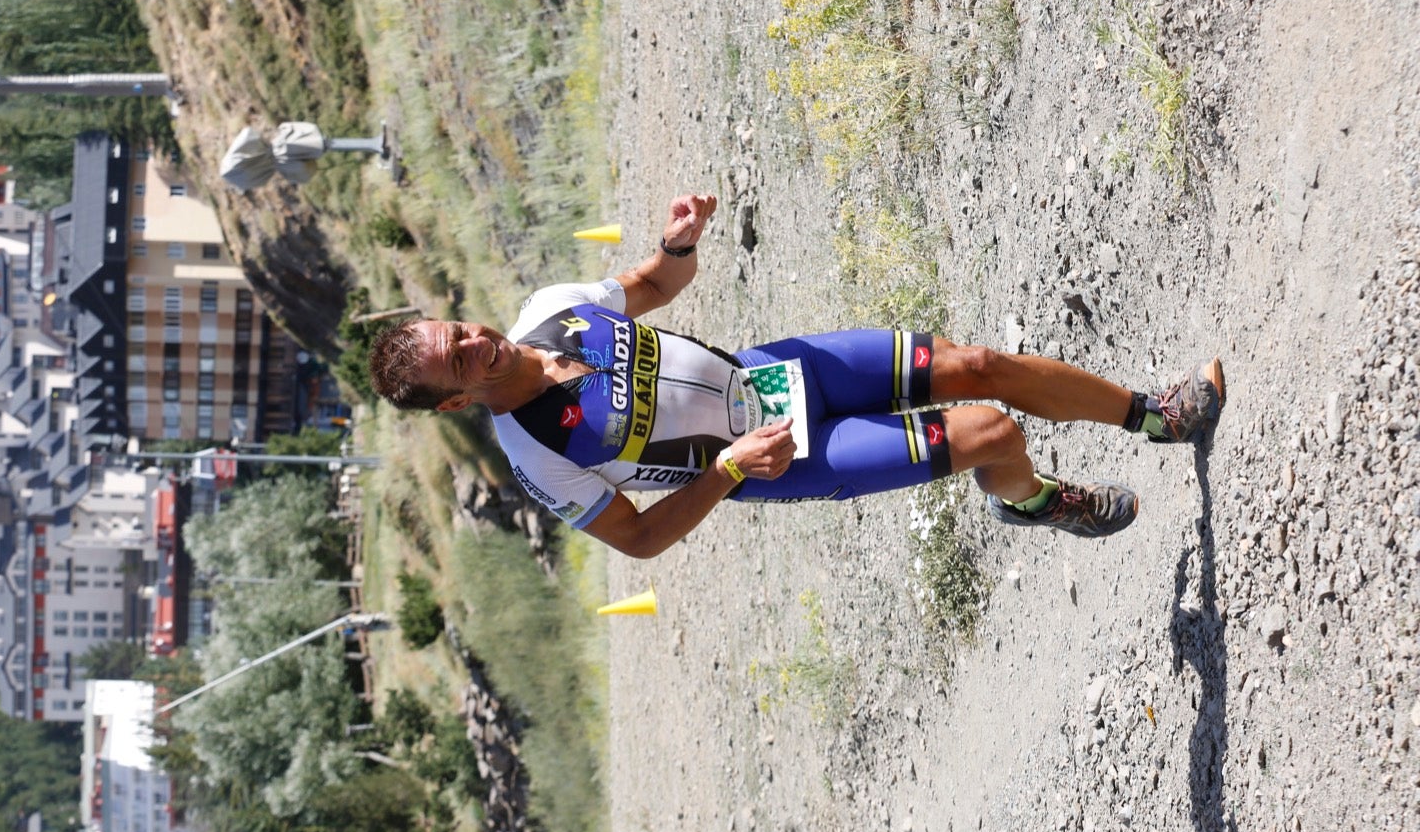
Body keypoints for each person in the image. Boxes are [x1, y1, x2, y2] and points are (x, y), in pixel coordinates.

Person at [369, 194, 1225, 558]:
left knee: (980, 366)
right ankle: (1037, 502)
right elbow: (636, 539)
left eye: (461, 330)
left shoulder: (550, 307)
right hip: (778, 454)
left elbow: (657, 286)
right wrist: (731, 470)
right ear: (455, 400)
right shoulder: (534, 455)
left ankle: (1157, 415)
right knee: (993, 436)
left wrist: (679, 241)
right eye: (462, 360)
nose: (479, 341)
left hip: (776, 369)